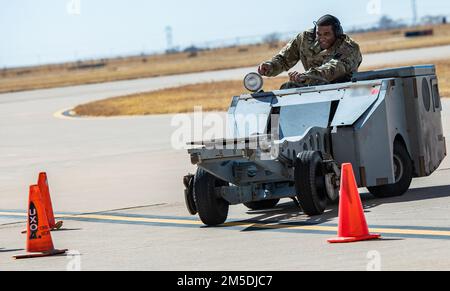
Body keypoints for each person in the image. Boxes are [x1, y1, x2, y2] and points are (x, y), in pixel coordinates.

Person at [258, 15, 363, 89]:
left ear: (337, 33)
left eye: (326, 34)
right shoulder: (305, 38)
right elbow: (284, 59)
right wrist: (270, 66)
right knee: (287, 87)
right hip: (313, 89)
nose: (322, 38)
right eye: (319, 34)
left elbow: (333, 68)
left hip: (342, 90)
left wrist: (305, 77)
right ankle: (277, 121)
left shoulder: (349, 47)